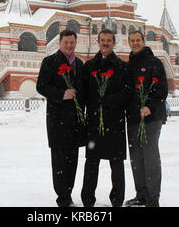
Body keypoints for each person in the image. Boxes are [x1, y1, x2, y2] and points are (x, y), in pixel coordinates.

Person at [81, 28, 132, 207]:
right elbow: (83, 93)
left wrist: (108, 100)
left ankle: (117, 199)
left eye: (108, 41)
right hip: (95, 121)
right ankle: (88, 200)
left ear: (114, 43)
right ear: (98, 42)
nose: (105, 43)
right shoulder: (89, 66)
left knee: (116, 164)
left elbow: (127, 93)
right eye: (102, 40)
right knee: (91, 162)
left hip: (115, 121)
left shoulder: (121, 66)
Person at [36, 29, 85, 207]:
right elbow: (41, 86)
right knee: (59, 161)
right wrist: (62, 94)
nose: (69, 46)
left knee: (72, 161)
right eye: (66, 43)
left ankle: (69, 192)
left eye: (72, 43)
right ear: (60, 43)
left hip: (75, 122)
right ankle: (62, 197)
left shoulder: (79, 64)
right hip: (58, 121)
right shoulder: (50, 62)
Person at [125, 30, 168, 208]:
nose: (135, 43)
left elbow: (161, 89)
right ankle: (141, 194)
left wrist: (149, 106)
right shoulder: (129, 65)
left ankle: (152, 198)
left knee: (150, 156)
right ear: (128, 43)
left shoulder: (154, 63)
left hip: (151, 117)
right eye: (132, 41)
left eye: (138, 40)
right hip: (134, 118)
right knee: (136, 158)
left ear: (143, 41)